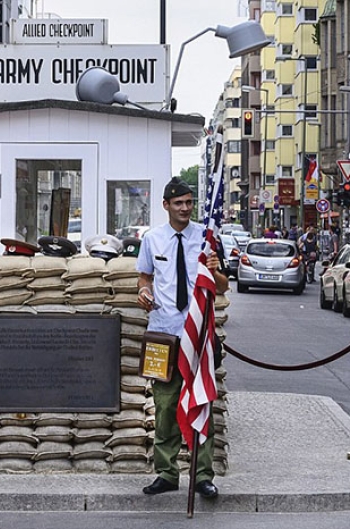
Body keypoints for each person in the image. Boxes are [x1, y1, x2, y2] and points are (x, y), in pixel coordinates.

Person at [135, 177, 229, 499]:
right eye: (179, 203)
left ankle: (202, 475)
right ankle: (166, 472)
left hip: (199, 335)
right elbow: (144, 278)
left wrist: (215, 269)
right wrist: (143, 292)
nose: (185, 208)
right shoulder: (152, 239)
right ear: (166, 206)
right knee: (164, 406)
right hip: (163, 334)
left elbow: (222, 286)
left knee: (201, 401)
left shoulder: (206, 237)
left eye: (189, 202)